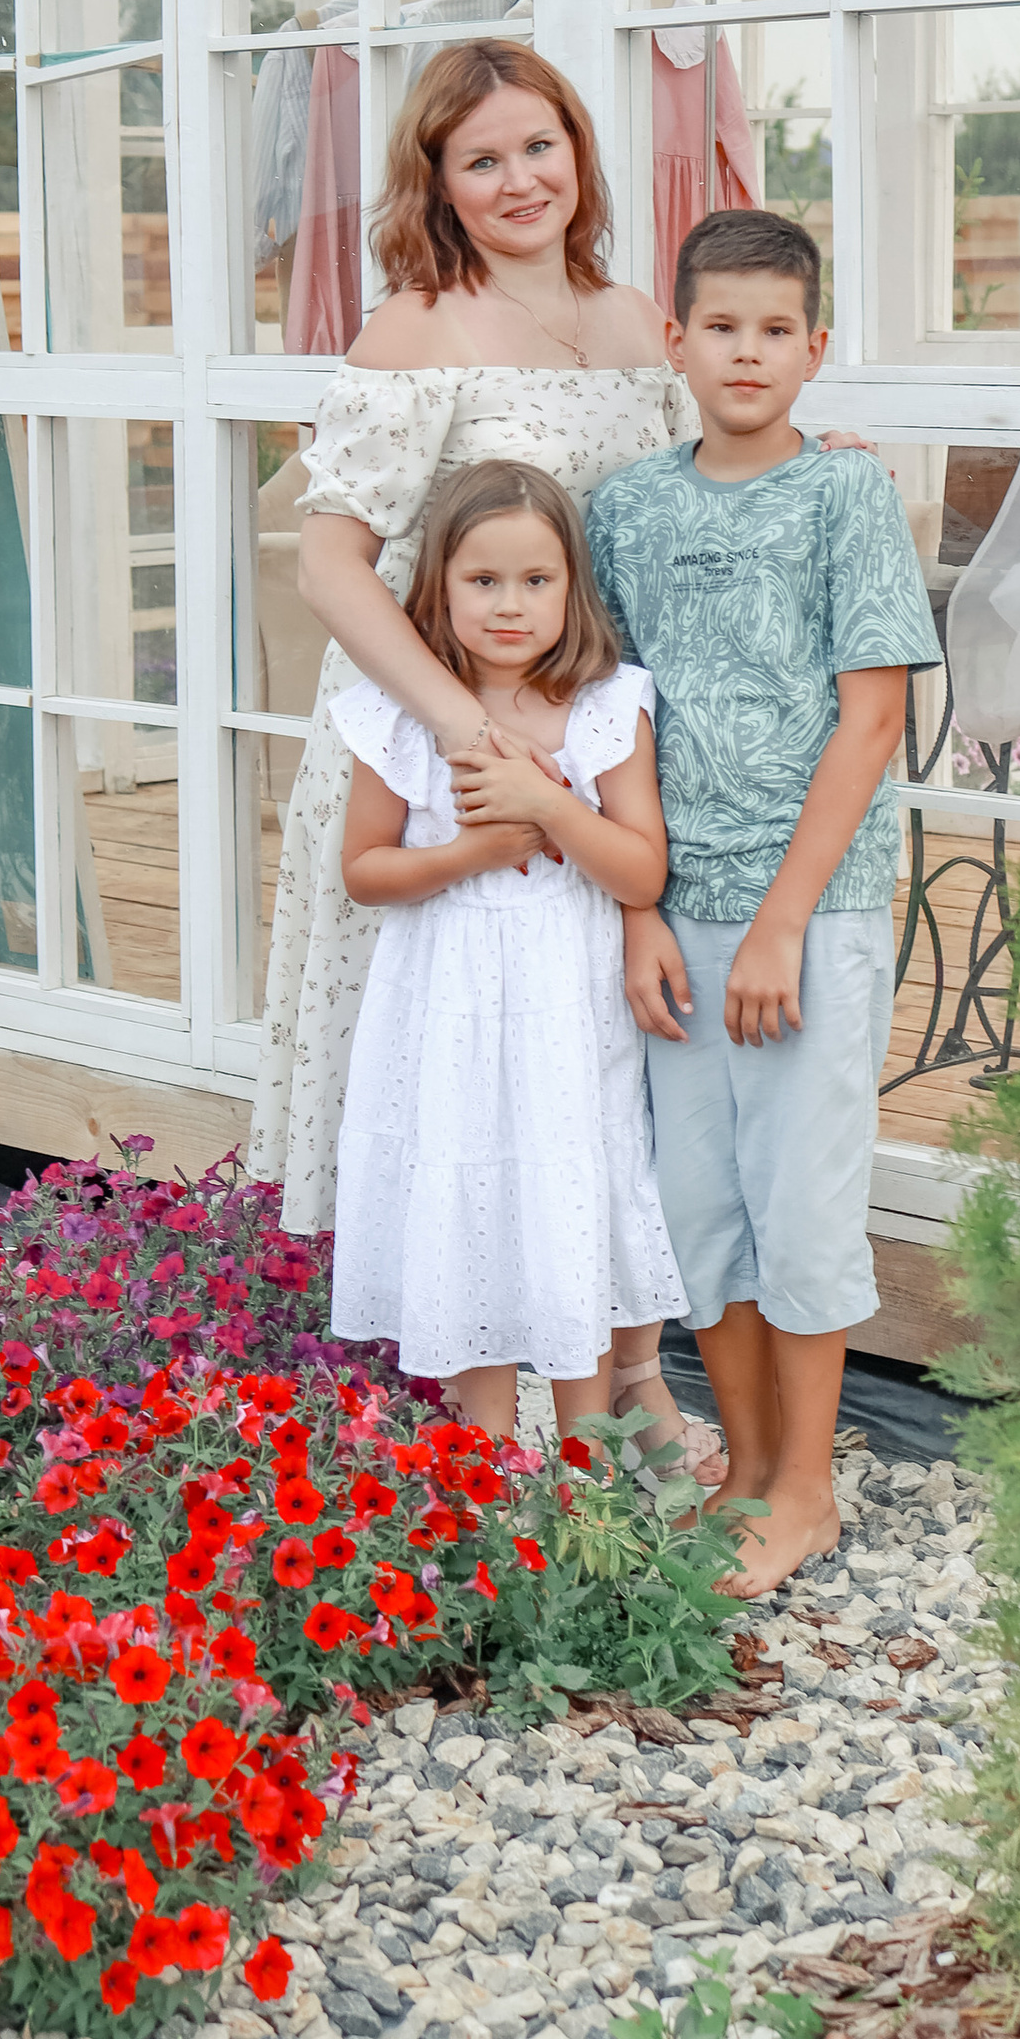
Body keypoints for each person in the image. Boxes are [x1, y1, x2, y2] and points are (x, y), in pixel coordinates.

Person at [248, 41, 706, 1465]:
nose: (521, 181)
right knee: (460, 1061)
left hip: (595, 736)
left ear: (580, 151)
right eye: (482, 159)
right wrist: (462, 731)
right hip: (444, 747)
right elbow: (330, 565)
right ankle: (462, 1358)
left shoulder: (632, 317)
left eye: (540, 147)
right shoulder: (415, 330)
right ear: (438, 184)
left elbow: (685, 497)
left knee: (591, 1065)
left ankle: (626, 1366)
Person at [583, 209, 941, 1600]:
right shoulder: (627, 509)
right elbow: (611, 725)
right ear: (674, 339)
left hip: (816, 911)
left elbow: (869, 723)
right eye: (720, 327)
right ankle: (739, 1469)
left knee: (802, 1203)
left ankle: (807, 1488)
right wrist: (638, 911)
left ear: (815, 348)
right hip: (677, 912)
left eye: (775, 330)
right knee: (697, 1207)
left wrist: (788, 916)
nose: (747, 353)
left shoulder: (847, 498)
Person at [329, 461, 684, 1429]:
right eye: (482, 582)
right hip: (442, 1007)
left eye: (536, 581)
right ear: (439, 589)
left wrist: (548, 807)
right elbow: (364, 870)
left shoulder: (607, 709)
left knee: (568, 1193)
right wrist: (472, 850)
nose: (510, 606)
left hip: (566, 1012)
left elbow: (640, 873)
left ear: (573, 589)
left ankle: (583, 1466)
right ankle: (478, 1467)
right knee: (463, 1196)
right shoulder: (401, 716)